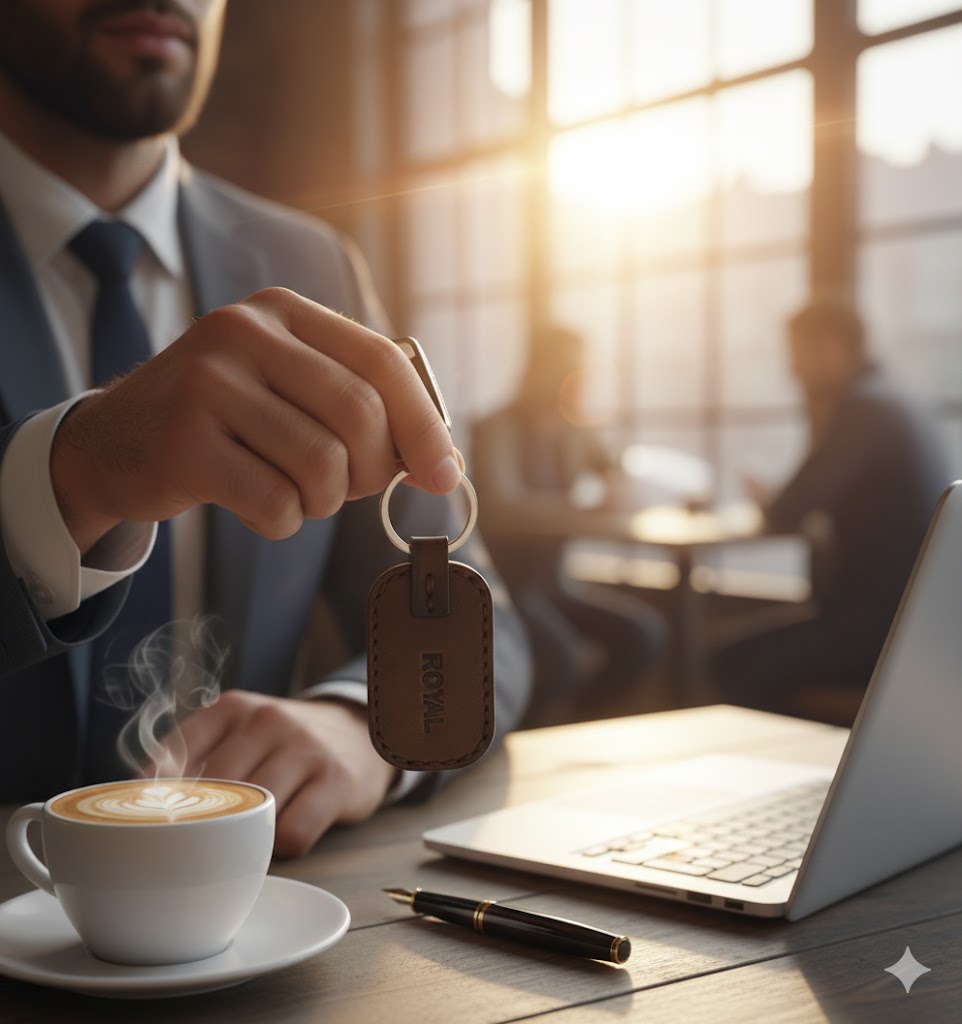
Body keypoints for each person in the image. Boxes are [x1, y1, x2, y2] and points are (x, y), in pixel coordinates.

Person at [0, 0, 530, 855]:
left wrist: (361, 726)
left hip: (265, 928)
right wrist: (79, 473)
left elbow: (474, 612)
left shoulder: (315, 265)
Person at [712, 297, 948, 717]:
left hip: (879, 629)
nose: (793, 371)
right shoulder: (901, 398)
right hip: (923, 626)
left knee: (724, 661)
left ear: (828, 346)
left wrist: (773, 499)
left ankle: (781, 772)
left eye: (797, 356)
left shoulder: (863, 407)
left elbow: (790, 509)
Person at [473, 324, 663, 726]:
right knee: (558, 658)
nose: (572, 379)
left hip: (555, 586)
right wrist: (583, 509)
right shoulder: (496, 427)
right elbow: (502, 507)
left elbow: (617, 472)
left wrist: (626, 484)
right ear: (538, 368)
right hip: (504, 586)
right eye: (563, 368)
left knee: (643, 635)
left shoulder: (575, 430)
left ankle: (586, 729)